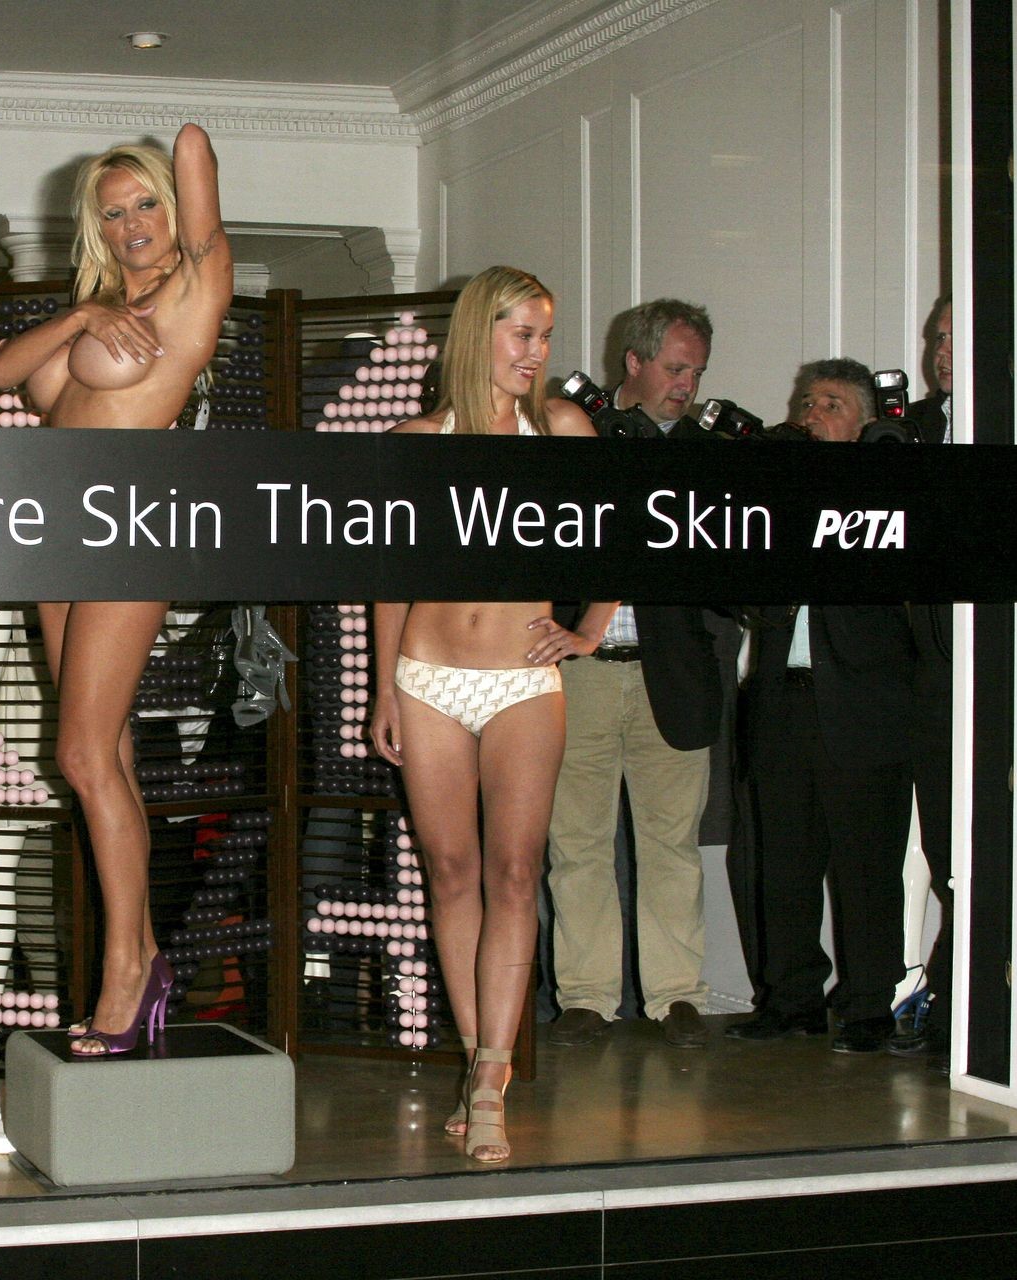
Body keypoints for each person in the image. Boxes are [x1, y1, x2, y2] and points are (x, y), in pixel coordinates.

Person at [0, 122, 231, 1058]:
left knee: (81, 755)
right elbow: (1, 374)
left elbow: (196, 151)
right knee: (105, 755)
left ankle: (131, 969)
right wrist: (83, 317)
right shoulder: (101, 310)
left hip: (130, 530)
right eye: (114, 211)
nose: (132, 224)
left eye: (147, 203)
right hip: (58, 538)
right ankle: (137, 957)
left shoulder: (196, 283)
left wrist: (178, 162)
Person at [369, 265, 609, 1162]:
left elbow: (624, 528)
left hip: (522, 681)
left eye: (545, 335)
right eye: (522, 333)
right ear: (480, 333)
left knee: (515, 872)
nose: (537, 352)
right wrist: (384, 687)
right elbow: (386, 573)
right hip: (428, 676)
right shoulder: (414, 441)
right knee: (452, 872)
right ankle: (477, 1058)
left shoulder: (562, 430)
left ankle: (490, 1086)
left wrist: (590, 628)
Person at [547, 300, 724, 1051]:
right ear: (635, 362)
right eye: (676, 368)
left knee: (671, 844)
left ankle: (676, 996)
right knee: (576, 842)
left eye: (697, 372)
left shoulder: (710, 452)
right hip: (579, 672)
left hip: (672, 674)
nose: (687, 385)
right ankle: (586, 997)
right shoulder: (570, 432)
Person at [727, 358, 914, 1053]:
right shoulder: (775, 501)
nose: (811, 415)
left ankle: (868, 1004)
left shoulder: (890, 499)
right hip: (782, 702)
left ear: (864, 424)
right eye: (806, 402)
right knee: (782, 864)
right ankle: (791, 998)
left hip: (864, 707)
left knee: (866, 868)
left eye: (831, 404)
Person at [893, 298, 955, 1066]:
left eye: (953, 338)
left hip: (1006, 673)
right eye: (936, 338)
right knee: (944, 852)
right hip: (931, 676)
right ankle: (944, 997)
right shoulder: (911, 432)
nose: (941, 351)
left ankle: (959, 997)